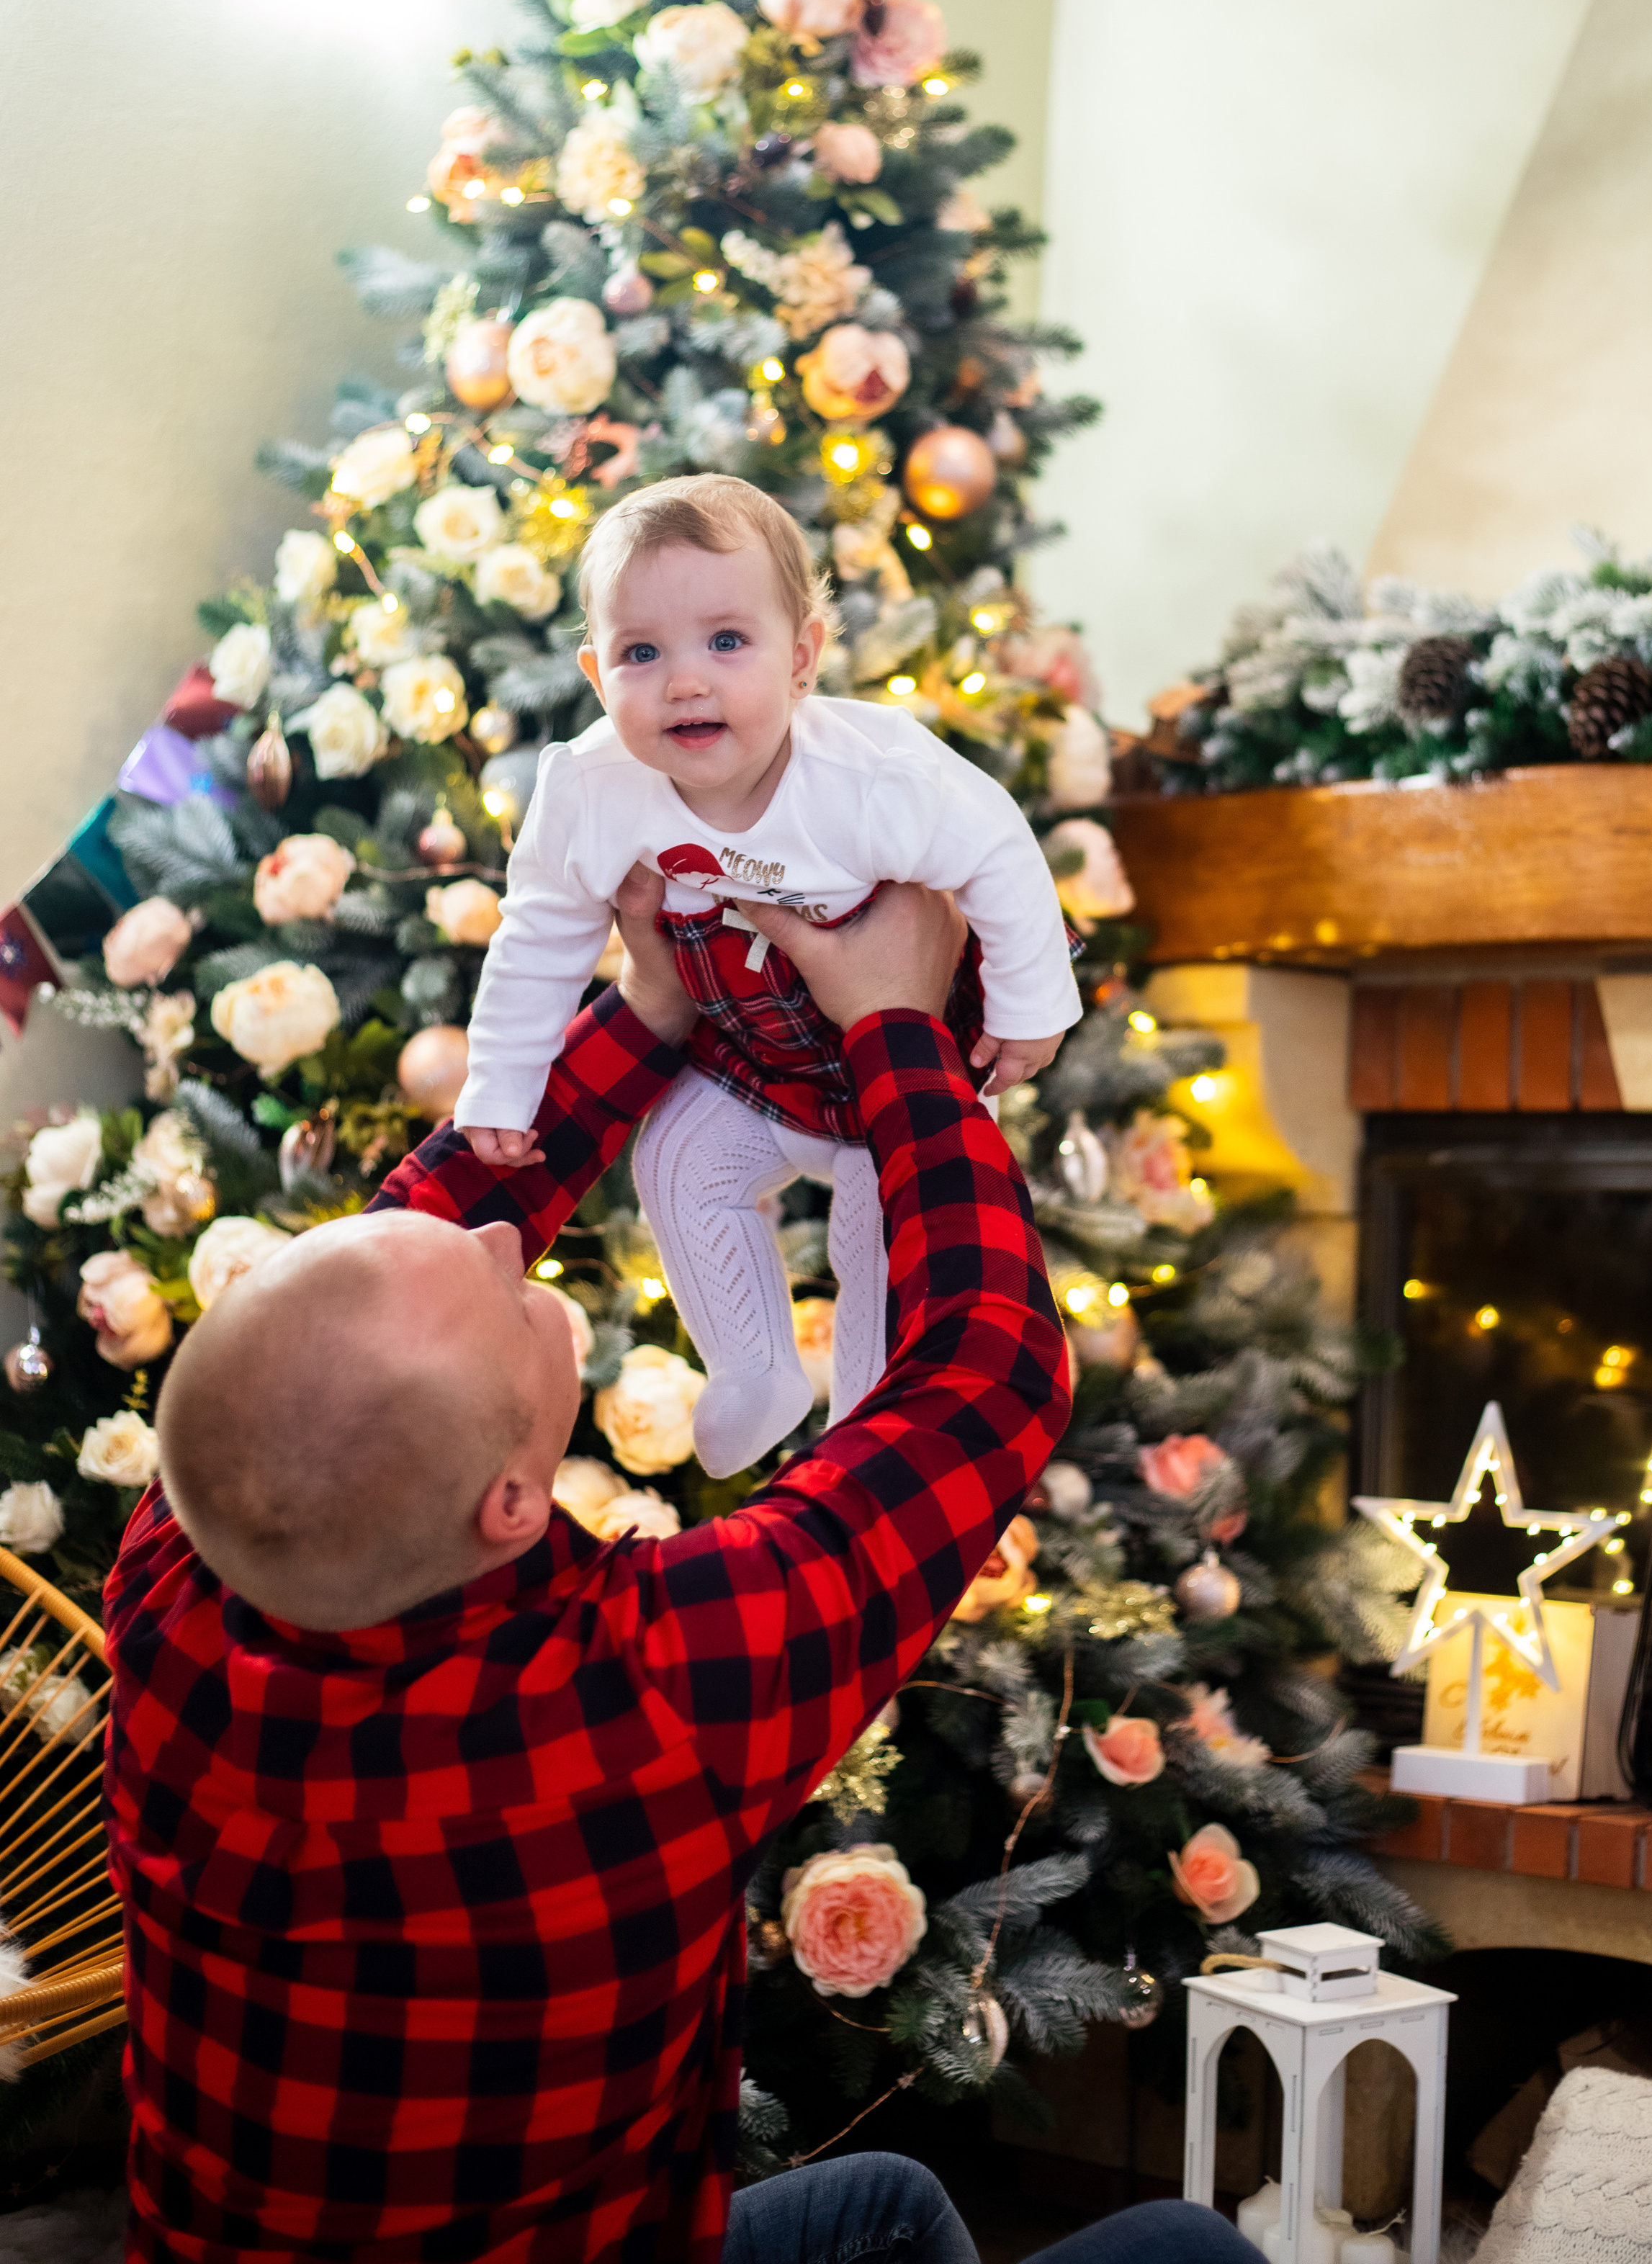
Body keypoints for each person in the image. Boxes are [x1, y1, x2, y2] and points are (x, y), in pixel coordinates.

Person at [105, 875, 1255, 2264]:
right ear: (512, 1503)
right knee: (1189, 2250)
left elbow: (390, 1268)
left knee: (886, 2206)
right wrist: (898, 1030)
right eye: (502, 1289)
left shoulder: (182, 1569)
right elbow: (985, 1379)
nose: (499, 1237)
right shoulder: (641, 1699)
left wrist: (650, 1005)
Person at [452, 473, 1081, 1476]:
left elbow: (999, 852)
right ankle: (752, 1368)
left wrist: (1032, 1004)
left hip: (899, 1067)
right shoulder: (594, 786)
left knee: (887, 1242)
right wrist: (501, 1083)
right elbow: (539, 931)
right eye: (642, 653)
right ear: (596, 674)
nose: (684, 683)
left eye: (726, 641)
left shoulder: (871, 777)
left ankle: (864, 1419)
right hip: (751, 1057)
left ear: (801, 658)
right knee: (674, 1163)